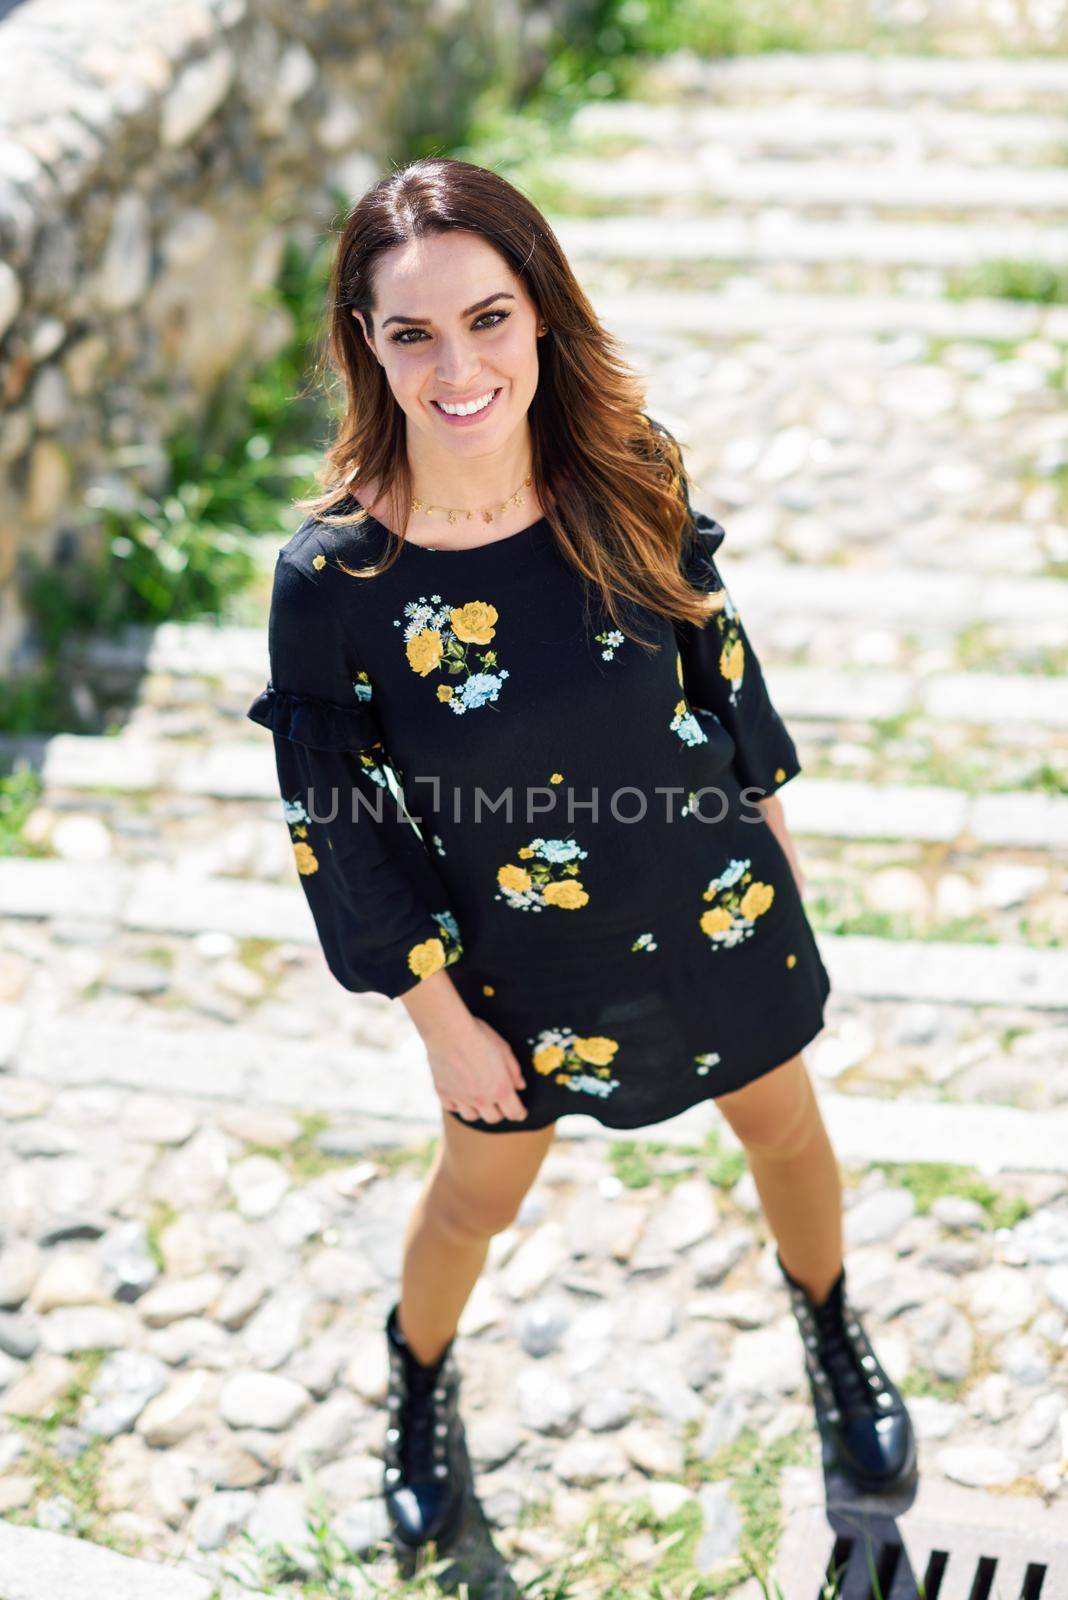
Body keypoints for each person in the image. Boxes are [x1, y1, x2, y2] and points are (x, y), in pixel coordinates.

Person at [247, 157, 917, 1554]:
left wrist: (773, 834)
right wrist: (437, 1021)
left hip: (709, 893)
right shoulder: (336, 583)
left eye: (490, 318)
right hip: (514, 966)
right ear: (365, 346)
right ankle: (417, 1380)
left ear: (541, 316)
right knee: (473, 1201)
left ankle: (834, 1332)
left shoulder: (626, 467)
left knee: (787, 1127)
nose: (459, 365)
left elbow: (717, 665)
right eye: (412, 331)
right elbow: (343, 828)